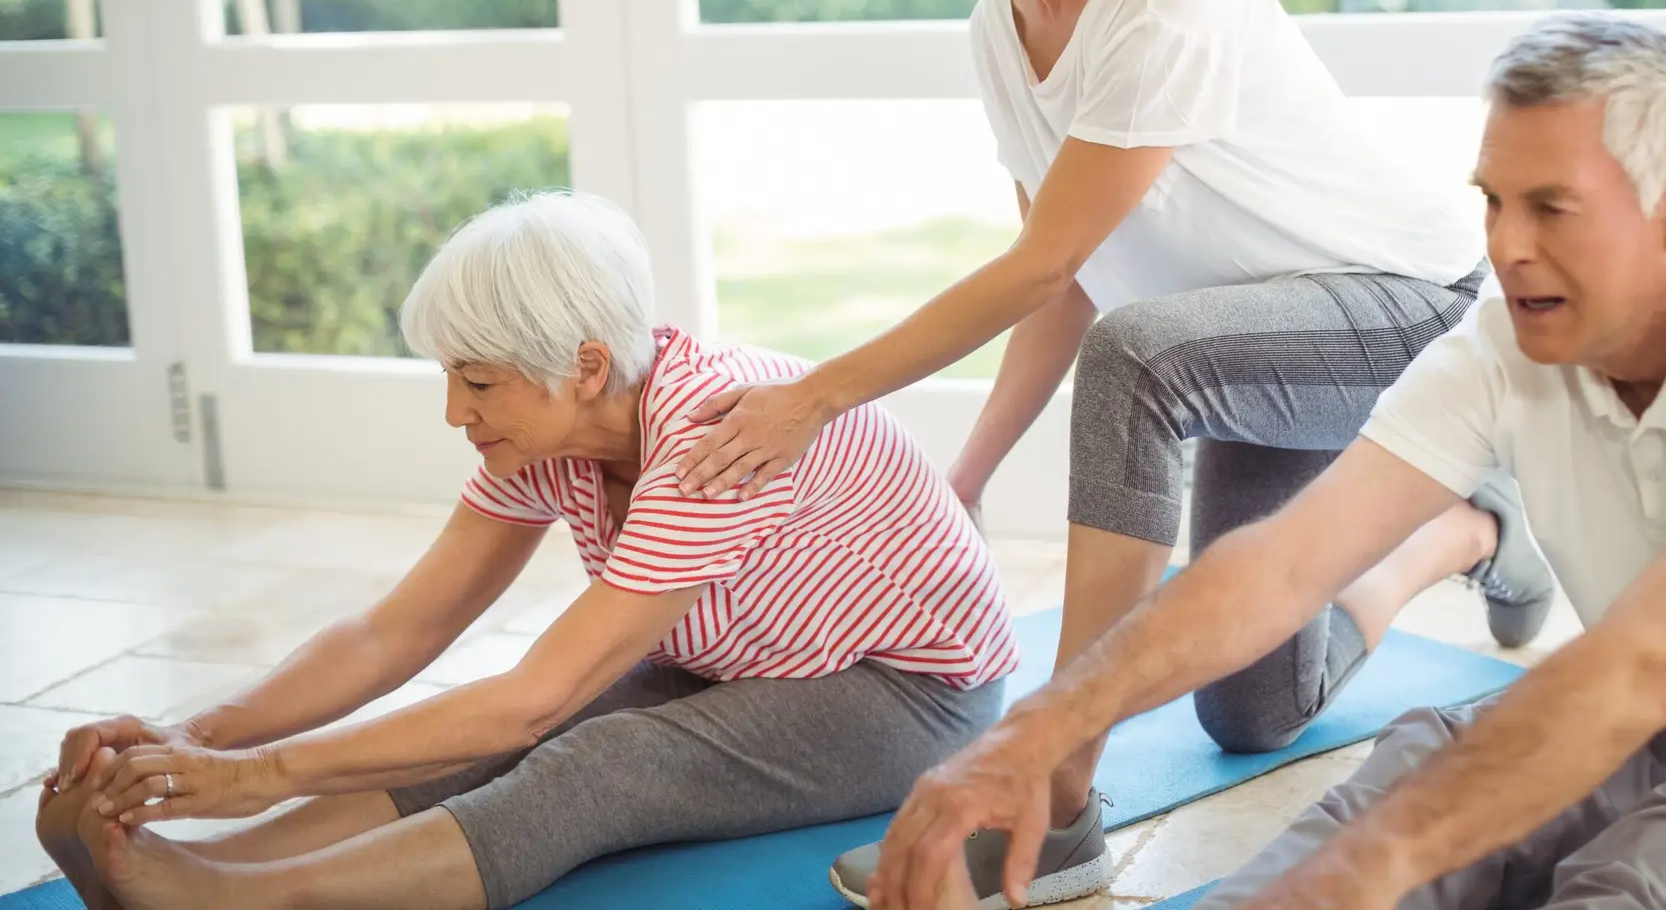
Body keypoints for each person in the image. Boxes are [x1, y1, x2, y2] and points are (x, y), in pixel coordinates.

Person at [669, 0, 1554, 905]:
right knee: (1252, 709)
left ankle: (1058, 795)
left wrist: (813, 400)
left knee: (1142, 359)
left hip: (1414, 303)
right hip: (1245, 347)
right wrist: (966, 475)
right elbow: (1068, 267)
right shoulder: (1000, 30)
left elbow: (1046, 269)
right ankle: (1483, 527)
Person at [857, 13, 1666, 910]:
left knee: (1650, 873)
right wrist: (1042, 727)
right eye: (1495, 201)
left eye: (1551, 206)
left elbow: (1649, 664)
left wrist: (1377, 869)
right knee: (1400, 781)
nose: (1505, 244)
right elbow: (1282, 562)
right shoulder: (1514, 334)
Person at [32, 192, 1016, 910]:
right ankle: (218, 872)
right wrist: (201, 739)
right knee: (484, 722)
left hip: (910, 696)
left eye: (479, 381)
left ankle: (245, 903)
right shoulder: (556, 435)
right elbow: (393, 631)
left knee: (595, 751)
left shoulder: (710, 442)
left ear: (584, 364)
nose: (454, 410)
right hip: (742, 664)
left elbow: (536, 696)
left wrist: (262, 769)